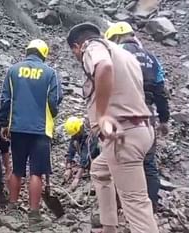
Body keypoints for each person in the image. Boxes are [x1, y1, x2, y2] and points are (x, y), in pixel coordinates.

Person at [66, 22, 159, 233]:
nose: (77, 57)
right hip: (142, 130)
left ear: (76, 46)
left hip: (123, 136)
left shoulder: (92, 47)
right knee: (99, 170)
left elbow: (104, 67)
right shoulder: (125, 54)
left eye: (74, 53)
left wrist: (101, 116)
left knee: (136, 203)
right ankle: (109, 227)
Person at [105, 21, 170, 212]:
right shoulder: (152, 59)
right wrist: (164, 119)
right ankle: (151, 204)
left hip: (123, 112)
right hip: (147, 115)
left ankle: (120, 204)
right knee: (148, 161)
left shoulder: (116, 53)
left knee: (117, 159)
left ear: (115, 38)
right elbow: (161, 91)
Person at [0, 39, 62, 231]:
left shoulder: (13, 71)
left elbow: (5, 99)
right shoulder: (50, 73)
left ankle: (12, 207)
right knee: (36, 172)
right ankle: (34, 216)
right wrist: (53, 113)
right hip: (40, 130)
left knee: (17, 169)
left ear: (27, 52)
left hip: (17, 128)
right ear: (43, 53)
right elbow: (55, 99)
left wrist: (4, 124)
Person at [63, 116, 100, 191]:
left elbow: (86, 156)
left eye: (76, 134)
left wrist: (77, 178)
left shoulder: (91, 134)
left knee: (91, 156)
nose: (74, 136)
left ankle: (94, 170)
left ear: (80, 129)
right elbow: (71, 149)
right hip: (87, 154)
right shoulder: (77, 132)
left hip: (98, 155)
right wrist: (68, 167)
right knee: (75, 142)